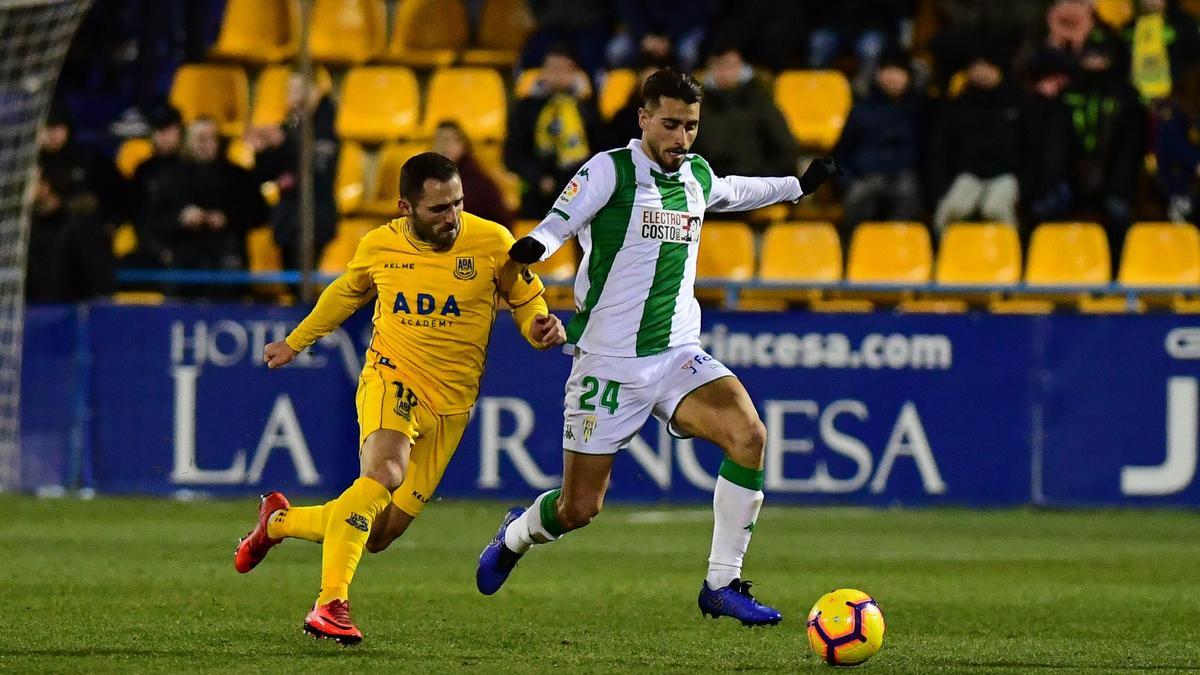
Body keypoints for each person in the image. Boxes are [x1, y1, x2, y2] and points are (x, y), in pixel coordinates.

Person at [474, 69, 839, 626]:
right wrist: (535, 248)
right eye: (670, 125)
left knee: (749, 436)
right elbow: (561, 221)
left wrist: (798, 186)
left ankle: (722, 582)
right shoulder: (610, 170)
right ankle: (516, 534)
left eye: (690, 126)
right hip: (608, 362)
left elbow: (738, 190)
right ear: (643, 119)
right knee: (578, 509)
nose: (681, 138)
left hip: (676, 355)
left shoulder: (695, 174)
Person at [234, 153, 567, 645]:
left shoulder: (493, 242)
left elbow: (524, 300)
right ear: (405, 207)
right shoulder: (379, 246)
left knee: (380, 531)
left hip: (453, 406)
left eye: (456, 204)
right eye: (437, 209)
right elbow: (346, 294)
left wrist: (538, 328)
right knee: (383, 474)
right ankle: (330, 605)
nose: (451, 217)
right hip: (394, 378)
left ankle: (278, 522)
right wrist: (296, 341)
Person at [246, 73, 339, 270]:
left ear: (315, 93)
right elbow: (265, 175)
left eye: (300, 90)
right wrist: (261, 151)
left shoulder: (326, 126)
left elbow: (318, 170)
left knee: (305, 281)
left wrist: (283, 142)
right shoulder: (288, 127)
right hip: (288, 220)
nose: (295, 97)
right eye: (290, 91)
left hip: (315, 218)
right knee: (291, 279)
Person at [505, 44, 601, 219]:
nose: (558, 75)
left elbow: (600, 150)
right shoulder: (525, 108)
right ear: (542, 72)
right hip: (538, 186)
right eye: (553, 69)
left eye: (564, 69)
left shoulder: (587, 107)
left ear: (574, 73)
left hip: (580, 184)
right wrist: (538, 178)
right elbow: (512, 154)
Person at [835, 49, 924, 235]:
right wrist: (848, 180)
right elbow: (841, 153)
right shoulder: (861, 109)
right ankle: (854, 251)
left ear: (908, 76)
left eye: (898, 71)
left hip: (905, 177)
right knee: (858, 197)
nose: (892, 77)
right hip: (866, 176)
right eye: (886, 70)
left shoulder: (923, 109)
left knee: (908, 195)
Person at [689, 42, 800, 179]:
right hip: (712, 184)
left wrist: (766, 182)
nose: (724, 72)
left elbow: (785, 147)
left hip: (756, 182)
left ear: (741, 67)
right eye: (718, 66)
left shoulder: (759, 100)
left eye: (729, 65)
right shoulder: (699, 106)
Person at [431, 120, 513, 229]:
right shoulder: (424, 180)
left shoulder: (479, 184)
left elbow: (502, 224)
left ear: (463, 145)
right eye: (438, 140)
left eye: (448, 140)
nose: (442, 146)